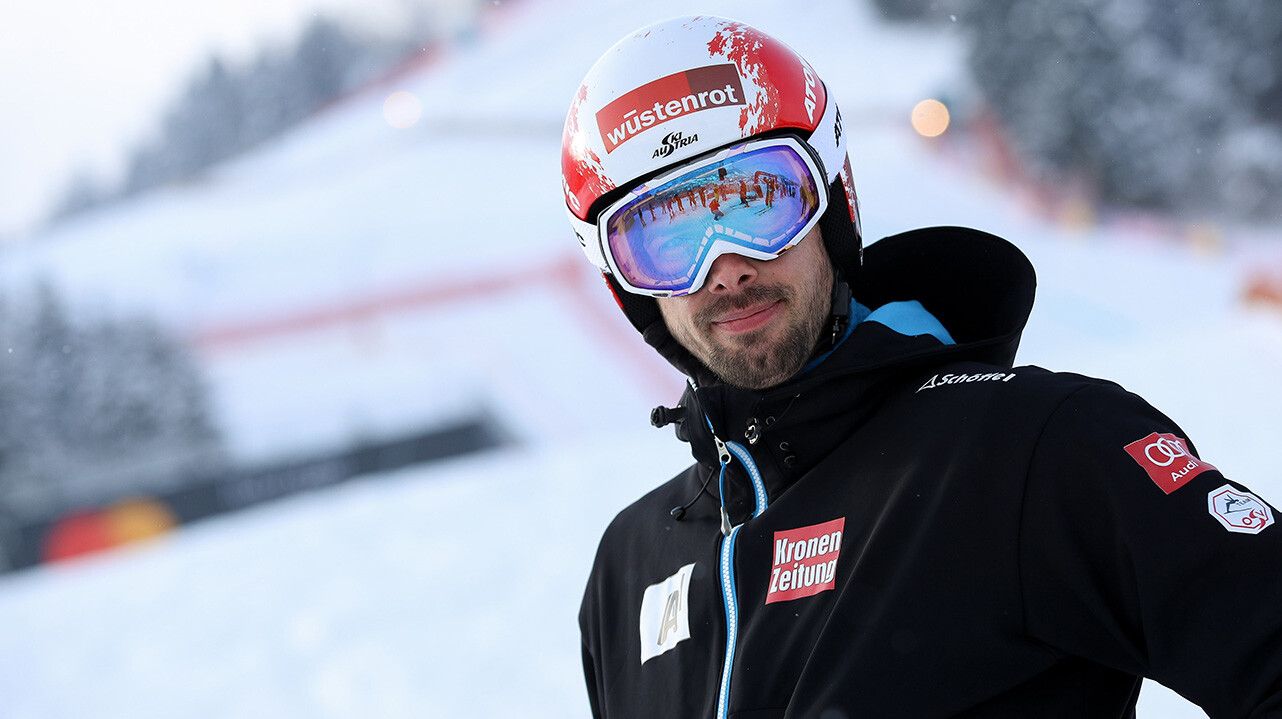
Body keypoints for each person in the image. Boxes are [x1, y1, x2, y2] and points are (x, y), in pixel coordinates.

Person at [560, 15, 1282, 719]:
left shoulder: (1027, 446)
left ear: (833, 203)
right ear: (626, 285)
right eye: (666, 235)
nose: (724, 268)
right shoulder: (631, 565)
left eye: (757, 200)